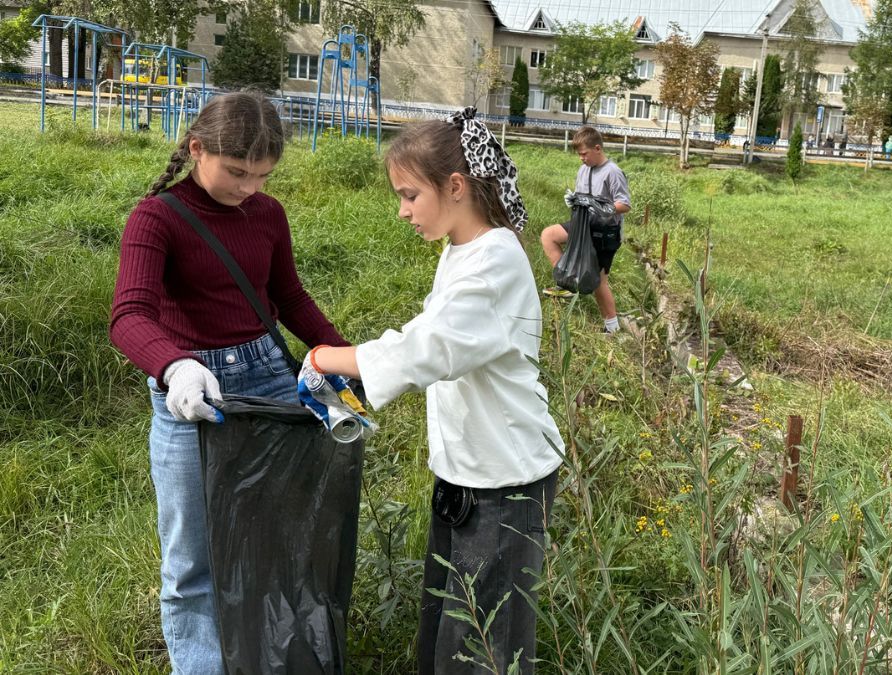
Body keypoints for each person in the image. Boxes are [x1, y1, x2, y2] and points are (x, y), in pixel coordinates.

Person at [301, 108, 563, 675]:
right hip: (469, 476)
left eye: (409, 194)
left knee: (483, 648)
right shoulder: (462, 250)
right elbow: (434, 344)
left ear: (455, 186)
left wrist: (329, 357)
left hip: (505, 483)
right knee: (450, 630)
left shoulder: (495, 259)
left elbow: (429, 348)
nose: (402, 210)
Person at [109, 91, 351, 673]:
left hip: (267, 377)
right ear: (197, 149)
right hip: (193, 394)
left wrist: (344, 357)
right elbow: (129, 316)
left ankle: (270, 659)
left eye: (263, 175)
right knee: (194, 558)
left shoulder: (267, 214)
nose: (249, 187)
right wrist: (173, 365)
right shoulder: (157, 217)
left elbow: (288, 297)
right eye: (237, 172)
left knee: (276, 538)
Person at [540, 126, 631, 334]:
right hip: (582, 225)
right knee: (549, 235)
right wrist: (574, 201)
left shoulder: (613, 172)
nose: (581, 158)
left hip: (605, 232)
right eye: (579, 155)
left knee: (597, 281)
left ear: (597, 148)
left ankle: (612, 328)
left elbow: (624, 205)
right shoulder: (583, 170)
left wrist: (600, 207)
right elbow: (582, 198)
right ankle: (567, 281)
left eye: (584, 154)